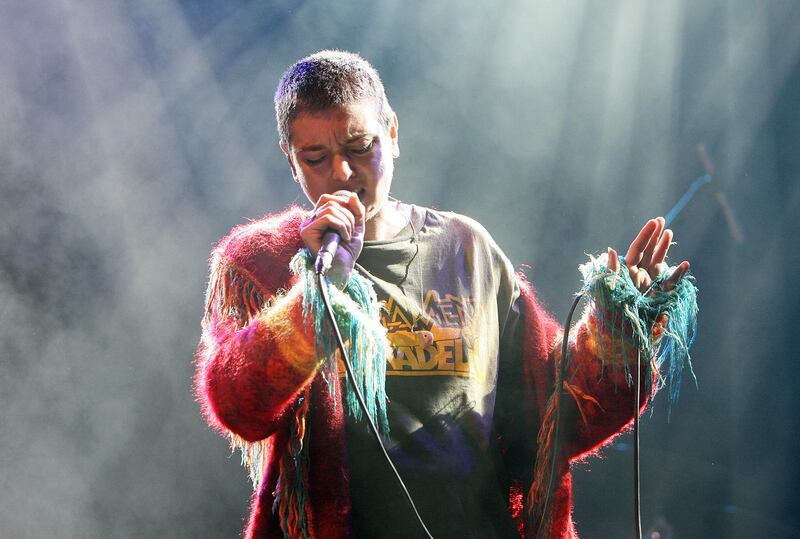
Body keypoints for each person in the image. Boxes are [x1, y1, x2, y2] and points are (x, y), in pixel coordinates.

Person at [195, 50, 697, 539]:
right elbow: (235, 404)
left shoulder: (465, 246)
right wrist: (316, 298)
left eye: (357, 146)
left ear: (392, 134)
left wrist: (619, 323)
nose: (342, 173)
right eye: (316, 157)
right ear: (291, 161)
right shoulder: (260, 261)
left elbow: (556, 414)